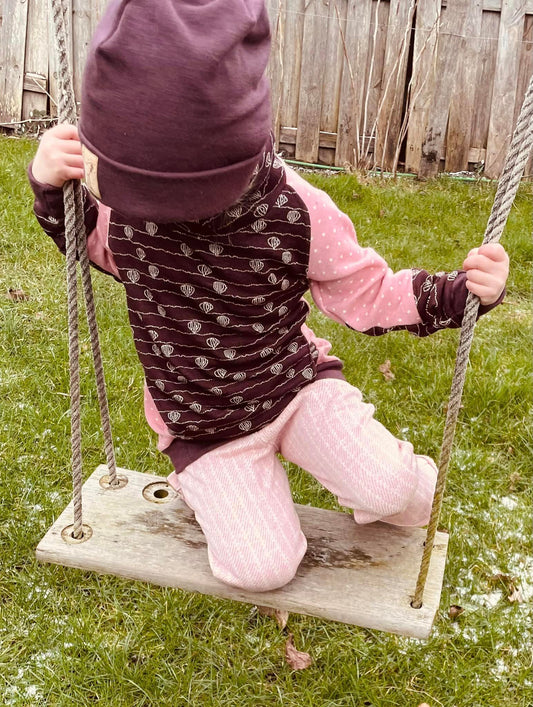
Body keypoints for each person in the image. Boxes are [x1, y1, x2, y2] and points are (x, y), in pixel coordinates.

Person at [29, 0, 509, 593]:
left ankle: (382, 479)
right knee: (263, 568)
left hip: (294, 387)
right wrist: (50, 187)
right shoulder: (123, 213)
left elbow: (368, 292)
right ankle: (209, 487)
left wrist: (462, 294)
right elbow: (87, 239)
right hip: (205, 424)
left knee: (402, 495)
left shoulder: (295, 211)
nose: (162, 217)